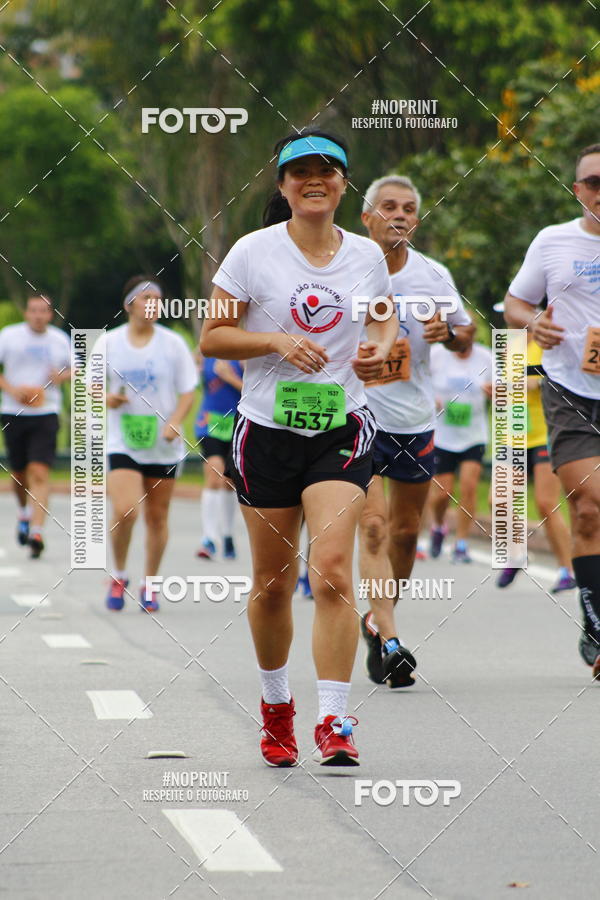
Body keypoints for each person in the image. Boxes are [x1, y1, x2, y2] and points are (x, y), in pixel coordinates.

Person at [200, 129, 397, 767]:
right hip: (265, 431)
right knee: (272, 584)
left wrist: (380, 344)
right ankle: (276, 705)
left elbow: (384, 312)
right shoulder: (253, 253)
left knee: (333, 571)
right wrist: (275, 343)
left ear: (344, 183)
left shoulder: (366, 255)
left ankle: (336, 720)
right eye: (300, 172)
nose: (315, 180)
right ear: (282, 185)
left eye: (328, 171)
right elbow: (213, 338)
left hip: (341, 429)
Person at [357, 175, 474, 688]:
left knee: (406, 533)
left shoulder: (433, 274)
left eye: (407, 209)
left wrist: (447, 332)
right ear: (367, 217)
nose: (398, 216)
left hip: (413, 419)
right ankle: (391, 639)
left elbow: (465, 329)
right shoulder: (345, 268)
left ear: (416, 221)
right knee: (375, 528)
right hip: (355, 414)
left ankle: (378, 622)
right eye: (388, 207)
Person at [504, 143, 600, 677]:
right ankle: (596, 618)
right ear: (577, 189)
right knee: (588, 505)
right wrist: (531, 323)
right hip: (570, 391)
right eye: (593, 182)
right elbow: (515, 303)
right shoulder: (553, 242)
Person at [103, 276, 197, 613]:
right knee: (126, 510)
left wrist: (176, 420)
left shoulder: (173, 344)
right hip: (123, 440)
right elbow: (91, 384)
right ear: (129, 305)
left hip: (163, 443)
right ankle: (118, 573)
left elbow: (188, 390)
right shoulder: (110, 342)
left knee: (157, 517)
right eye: (145, 298)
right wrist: (107, 397)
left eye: (157, 298)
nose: (152, 304)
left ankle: (150, 584)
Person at [492, 303, 576, 593]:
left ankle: (567, 569)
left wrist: (531, 384)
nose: (512, 323)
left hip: (543, 434)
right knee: (498, 501)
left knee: (545, 504)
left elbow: (556, 381)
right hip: (513, 434)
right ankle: (516, 555)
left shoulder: (546, 344)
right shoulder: (508, 348)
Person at [0, 294, 71, 558]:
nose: (38, 315)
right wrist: (12, 389)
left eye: (43, 311)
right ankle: (24, 513)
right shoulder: (9, 336)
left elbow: (79, 368)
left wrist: (61, 376)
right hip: (13, 411)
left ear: (50, 315)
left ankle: (37, 531)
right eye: (33, 310)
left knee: (39, 472)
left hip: (46, 411)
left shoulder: (59, 340)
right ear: (26, 312)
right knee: (19, 475)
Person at [428, 341, 493, 562]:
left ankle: (461, 544)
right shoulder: (436, 353)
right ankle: (438, 526)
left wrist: (494, 391)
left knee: (469, 487)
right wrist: (430, 397)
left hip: (474, 435)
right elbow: (419, 377)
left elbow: (501, 389)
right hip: (443, 436)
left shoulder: (485, 357)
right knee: (443, 493)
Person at [194, 356, 243, 560]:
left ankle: (227, 535)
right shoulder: (205, 353)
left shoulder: (245, 355)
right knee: (214, 474)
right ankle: (209, 539)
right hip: (209, 422)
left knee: (229, 482)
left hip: (236, 424)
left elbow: (254, 392)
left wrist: (229, 377)